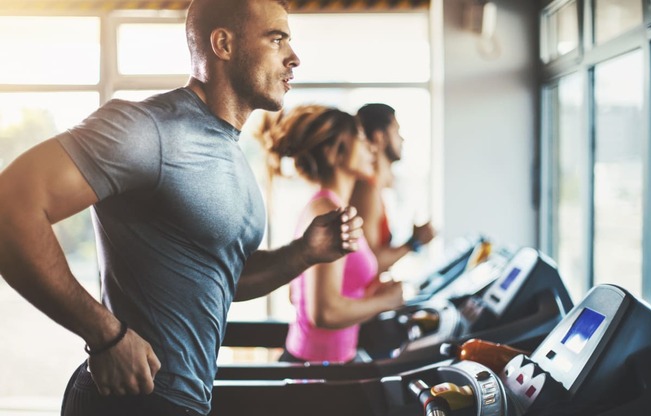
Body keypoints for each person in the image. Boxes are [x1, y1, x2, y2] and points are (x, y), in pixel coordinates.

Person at [0, 1, 364, 415]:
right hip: (130, 400)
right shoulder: (150, 129)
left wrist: (304, 253)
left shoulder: (233, 158)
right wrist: (105, 334)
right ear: (223, 43)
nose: (293, 57)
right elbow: (10, 207)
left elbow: (224, 277)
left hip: (182, 402)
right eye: (276, 39)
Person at [257, 104, 404, 364]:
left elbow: (299, 294)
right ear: (334, 152)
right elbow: (323, 313)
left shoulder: (334, 207)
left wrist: (368, 296)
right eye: (359, 138)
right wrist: (386, 301)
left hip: (333, 363)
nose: (371, 148)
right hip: (314, 370)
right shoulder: (326, 212)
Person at [350, 103, 436, 273]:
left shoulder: (377, 188)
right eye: (396, 131)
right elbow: (369, 264)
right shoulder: (366, 190)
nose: (402, 139)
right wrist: (414, 242)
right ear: (379, 137)